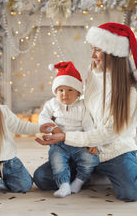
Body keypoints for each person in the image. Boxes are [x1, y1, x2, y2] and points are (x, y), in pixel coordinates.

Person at [35, 23, 137, 201]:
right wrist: (63, 118)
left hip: (114, 150)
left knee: (131, 192)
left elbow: (107, 133)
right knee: (42, 178)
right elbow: (85, 104)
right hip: (86, 147)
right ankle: (94, 172)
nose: (92, 55)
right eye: (92, 49)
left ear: (113, 54)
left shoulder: (130, 91)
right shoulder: (93, 72)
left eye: (97, 50)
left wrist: (65, 137)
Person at [39, 61, 99, 198]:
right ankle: (64, 185)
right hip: (59, 144)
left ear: (78, 92)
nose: (64, 94)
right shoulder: (52, 104)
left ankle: (78, 182)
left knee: (90, 159)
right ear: (55, 92)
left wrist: (92, 143)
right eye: (61, 90)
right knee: (56, 160)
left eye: (70, 90)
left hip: (79, 142)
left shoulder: (82, 106)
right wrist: (53, 128)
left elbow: (88, 125)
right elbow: (43, 118)